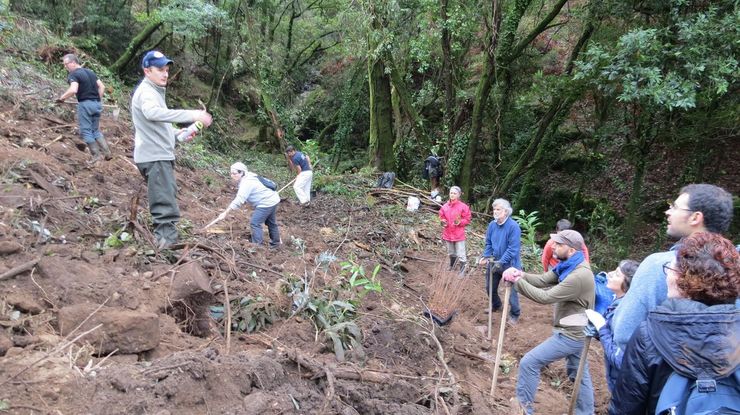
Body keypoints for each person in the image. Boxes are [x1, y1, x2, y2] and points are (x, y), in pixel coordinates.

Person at [609, 232, 739, 415]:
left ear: (684, 280)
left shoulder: (649, 334)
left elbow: (624, 409)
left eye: (670, 269)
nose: (667, 275)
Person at [610, 184, 733, 352]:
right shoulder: (732, 267)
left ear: (695, 218)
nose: (668, 212)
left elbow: (624, 333)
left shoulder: (661, 265)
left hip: (652, 371)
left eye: (674, 207)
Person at [502, 229, 595, 415]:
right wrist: (520, 273)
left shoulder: (578, 276)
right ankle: (585, 412)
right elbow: (543, 280)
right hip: (576, 329)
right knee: (578, 375)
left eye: (559, 244)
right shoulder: (567, 266)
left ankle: (523, 409)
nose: (553, 246)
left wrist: (517, 282)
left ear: (571, 250)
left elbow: (545, 297)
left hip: (571, 334)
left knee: (529, 363)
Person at [131, 50, 212, 249]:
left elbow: (157, 123)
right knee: (164, 204)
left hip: (159, 154)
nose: (165, 74)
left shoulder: (154, 92)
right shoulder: (147, 92)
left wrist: (177, 134)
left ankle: (167, 245)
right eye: (160, 70)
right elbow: (152, 113)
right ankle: (166, 249)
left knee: (166, 197)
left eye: (166, 70)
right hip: (155, 157)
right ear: (147, 71)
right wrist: (192, 115)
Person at [585, 259, 639, 392]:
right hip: (616, 379)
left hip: (624, 385)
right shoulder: (617, 302)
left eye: (616, 274)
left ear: (627, 283)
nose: (608, 274)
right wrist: (599, 332)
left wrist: (601, 327)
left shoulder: (627, 313)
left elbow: (620, 359)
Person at [205, 162, 281, 249]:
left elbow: (239, 199)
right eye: (231, 173)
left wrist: (225, 212)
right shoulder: (249, 176)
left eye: (234, 174)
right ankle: (275, 244)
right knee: (271, 222)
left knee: (255, 223)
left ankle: (256, 247)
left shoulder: (247, 183)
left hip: (266, 202)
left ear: (242, 173)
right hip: (273, 199)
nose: (232, 176)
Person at [56, 53, 111, 163]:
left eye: (66, 64)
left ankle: (96, 156)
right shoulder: (90, 72)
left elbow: (73, 90)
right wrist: (96, 99)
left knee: (86, 131)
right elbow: (102, 86)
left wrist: (62, 98)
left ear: (73, 62)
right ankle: (107, 153)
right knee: (95, 130)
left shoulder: (74, 74)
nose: (65, 67)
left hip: (85, 104)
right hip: (96, 104)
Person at [480, 199, 522, 324]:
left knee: (512, 293)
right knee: (489, 287)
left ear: (506, 211)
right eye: (494, 209)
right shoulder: (492, 225)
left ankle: (514, 314)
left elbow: (513, 249)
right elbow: (488, 243)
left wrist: (501, 262)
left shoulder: (513, 227)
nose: (495, 212)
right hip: (494, 262)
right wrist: (486, 256)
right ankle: (496, 305)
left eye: (498, 209)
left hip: (510, 265)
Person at [438, 186, 471, 272]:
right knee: (451, 252)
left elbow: (467, 219)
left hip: (458, 234)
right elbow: (441, 216)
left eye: (454, 193)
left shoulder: (463, 207)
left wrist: (460, 222)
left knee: (461, 253)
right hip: (448, 233)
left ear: (459, 195)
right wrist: (443, 221)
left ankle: (462, 270)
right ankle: (452, 266)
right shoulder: (445, 206)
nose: (452, 195)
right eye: (451, 193)